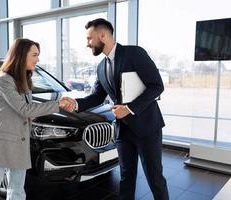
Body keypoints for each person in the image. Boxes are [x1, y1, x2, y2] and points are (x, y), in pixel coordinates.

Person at [63, 18, 169, 200]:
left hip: (147, 128)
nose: (87, 44)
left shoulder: (134, 54)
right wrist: (76, 104)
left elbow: (157, 86)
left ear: (103, 35)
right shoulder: (102, 67)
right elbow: (97, 96)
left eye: (90, 38)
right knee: (126, 178)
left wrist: (129, 108)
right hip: (122, 131)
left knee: (155, 178)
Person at [0, 38, 72, 200]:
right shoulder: (4, 79)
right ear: (21, 55)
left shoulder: (24, 78)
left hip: (19, 144)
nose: (38, 59)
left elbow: (26, 112)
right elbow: (24, 110)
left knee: (17, 191)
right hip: (1, 145)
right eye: (34, 55)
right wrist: (58, 104)